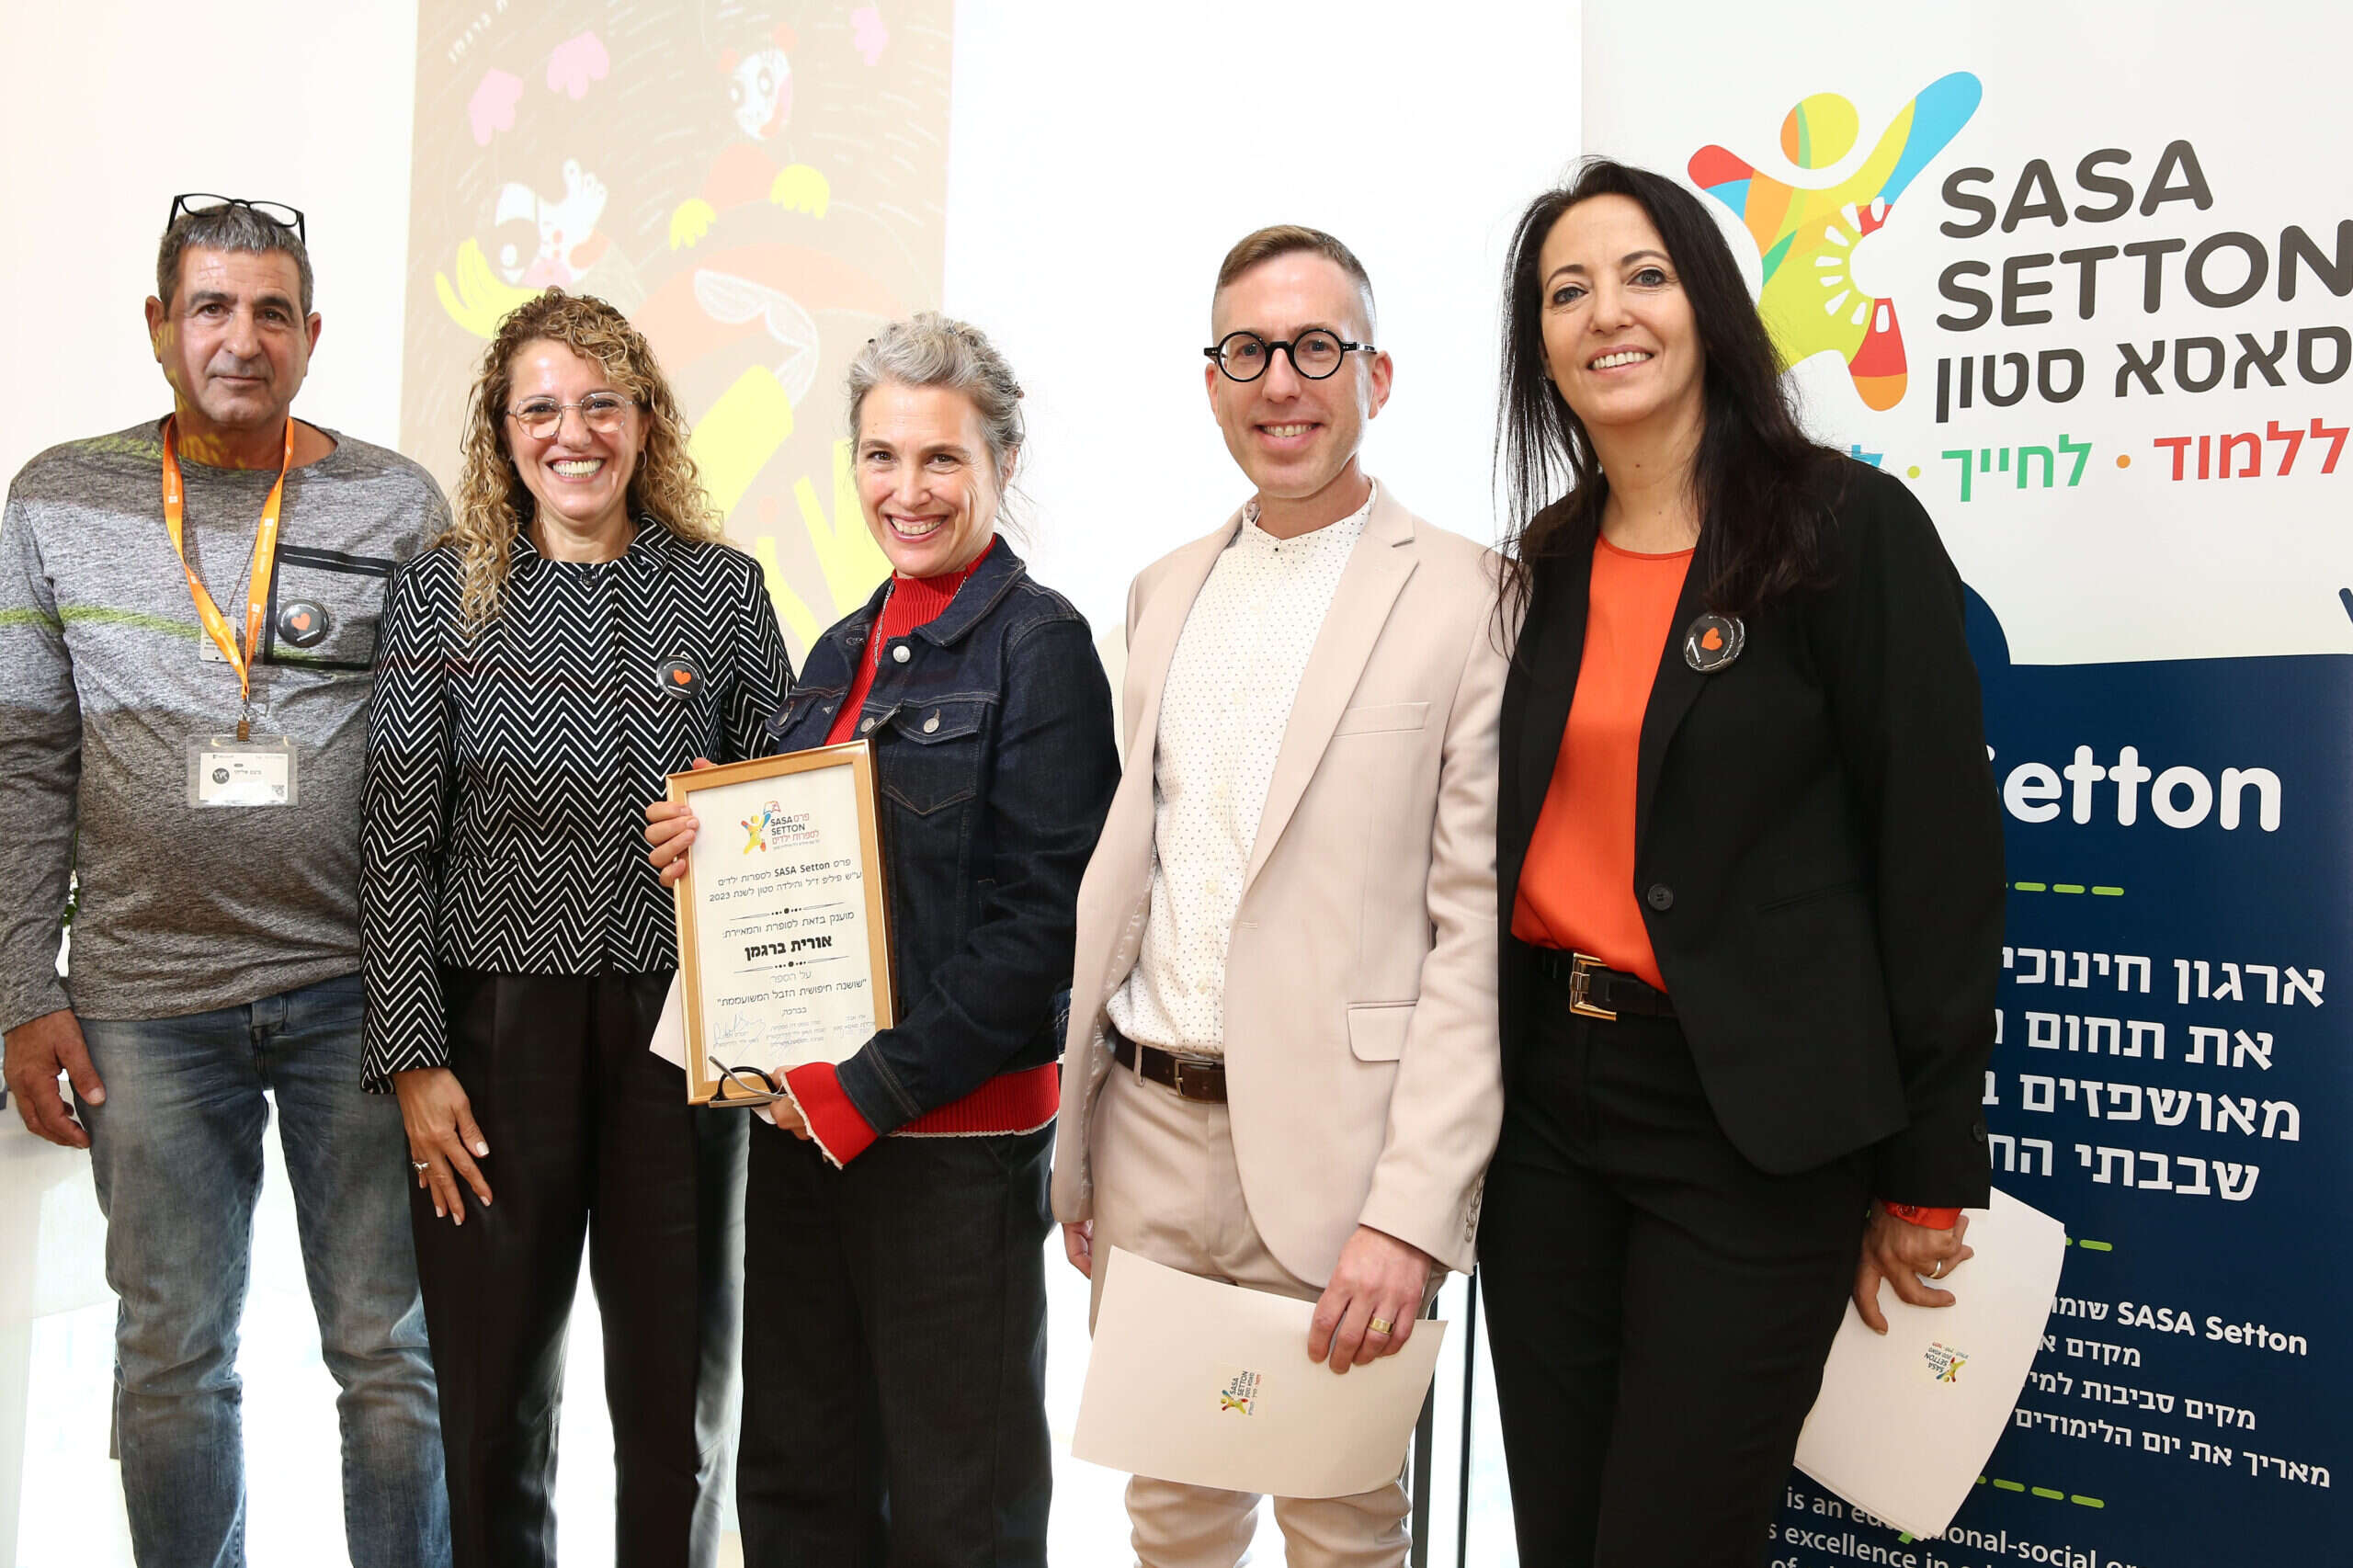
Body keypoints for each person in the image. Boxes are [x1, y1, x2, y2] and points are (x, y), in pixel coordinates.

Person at [1477, 158, 2006, 1566]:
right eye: (1567, 292)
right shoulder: (1540, 566)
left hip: (1749, 1130)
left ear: (1709, 305)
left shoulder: (1845, 531)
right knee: (1562, 1538)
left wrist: (1930, 1167)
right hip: (1546, 1122)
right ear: (1540, 346)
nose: (1607, 313)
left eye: (1643, 275)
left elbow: (1940, 861)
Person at [0, 195, 449, 1566]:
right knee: (170, 1355)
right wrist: (23, 986)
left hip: (353, 992)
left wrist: (431, 1010)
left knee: (388, 1350)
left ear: (313, 334)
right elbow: (25, 759)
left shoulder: (398, 503)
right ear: (159, 326)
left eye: (270, 312)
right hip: (141, 1000)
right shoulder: (56, 498)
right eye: (210, 308)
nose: (239, 339)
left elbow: (439, 763)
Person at [1050, 225, 1507, 1568]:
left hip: (1344, 1161)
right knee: (1172, 1527)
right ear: (1212, 383)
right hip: (1149, 1136)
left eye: (1317, 347)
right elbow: (1138, 872)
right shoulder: (1162, 589)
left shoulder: (1471, 595)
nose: (1283, 382)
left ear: (1377, 374)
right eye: (1248, 352)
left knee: (1345, 1535)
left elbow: (1474, 936)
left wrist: (1412, 1210)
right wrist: (1083, 1142)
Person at [644, 313, 1120, 1567]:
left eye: (941, 458)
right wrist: (709, 851)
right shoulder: (840, 649)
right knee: (799, 1494)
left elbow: (1044, 934)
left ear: (1002, 461)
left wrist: (870, 1089)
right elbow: (811, 874)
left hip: (948, 1153)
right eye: (880, 456)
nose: (907, 490)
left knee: (959, 1515)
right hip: (806, 1137)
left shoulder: (1041, 647)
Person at [360, 290, 792, 1568]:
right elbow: (394, 837)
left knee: (677, 1397)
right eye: (541, 408)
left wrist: (732, 828)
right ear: (503, 433)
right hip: (491, 1035)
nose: (574, 432)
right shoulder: (443, 594)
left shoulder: (723, 592)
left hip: (682, 1036)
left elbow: (791, 814)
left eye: (603, 403)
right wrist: (413, 1059)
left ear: (645, 422)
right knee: (492, 1394)